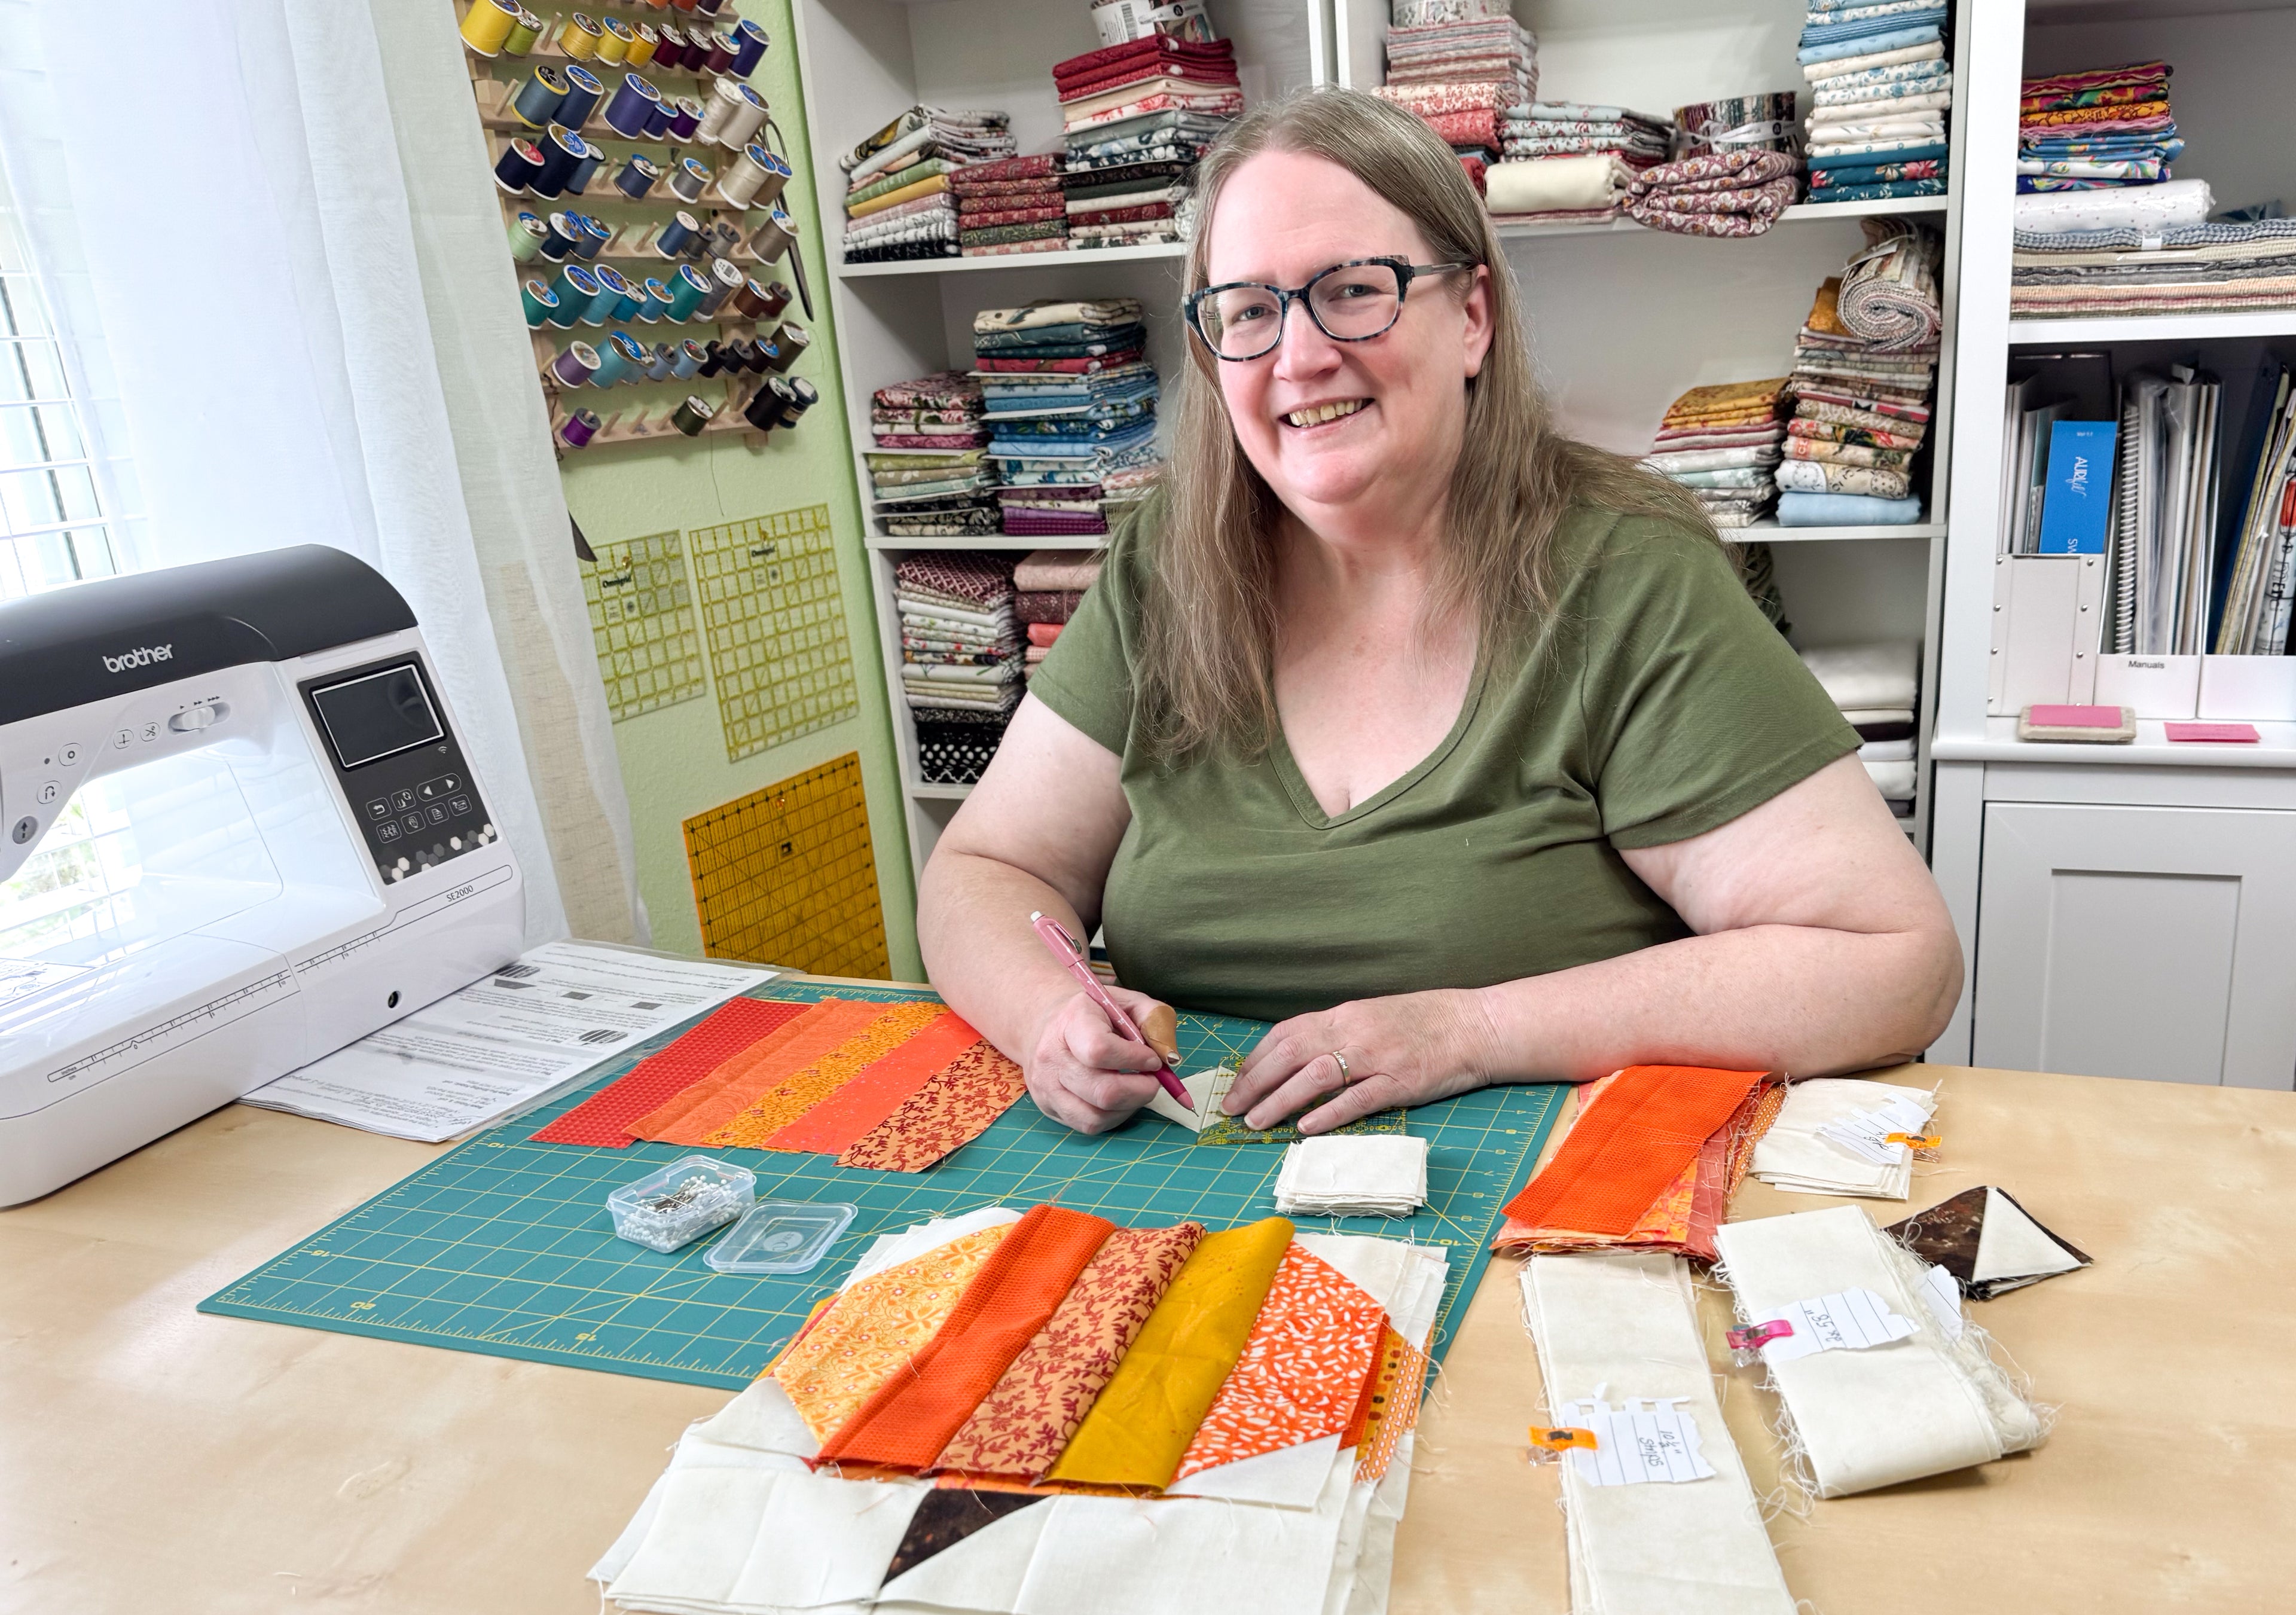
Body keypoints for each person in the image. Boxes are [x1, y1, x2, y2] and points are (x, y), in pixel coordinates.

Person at [918, 87, 1961, 1138]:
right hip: (1186, 1194)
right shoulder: (1168, 565)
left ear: (1471, 318)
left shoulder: (1621, 574)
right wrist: (1050, 1012)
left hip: (1526, 1218)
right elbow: (988, 868)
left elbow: (1892, 964)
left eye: (1354, 291)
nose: (1299, 355)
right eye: (1248, 309)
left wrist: (1468, 1030)